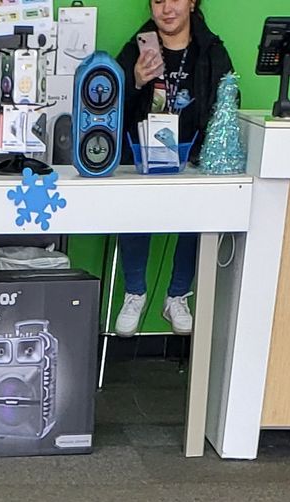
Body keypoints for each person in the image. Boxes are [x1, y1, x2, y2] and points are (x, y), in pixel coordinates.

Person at [113, 0, 234, 336]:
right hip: (143, 158)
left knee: (202, 206)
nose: (167, 9)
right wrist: (135, 81)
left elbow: (227, 104)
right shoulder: (136, 49)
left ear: (192, 2)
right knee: (135, 202)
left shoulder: (211, 51)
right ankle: (134, 292)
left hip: (193, 158)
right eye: (157, 1)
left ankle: (177, 295)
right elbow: (108, 106)